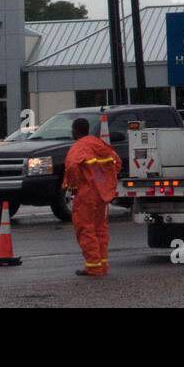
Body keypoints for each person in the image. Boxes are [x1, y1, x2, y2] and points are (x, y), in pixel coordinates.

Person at [62, 117, 122, 278]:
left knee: (85, 229)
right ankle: (101, 264)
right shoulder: (99, 144)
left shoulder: (78, 147)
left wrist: (74, 185)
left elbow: (73, 166)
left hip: (86, 193)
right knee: (100, 229)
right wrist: (106, 179)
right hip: (102, 193)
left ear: (74, 131)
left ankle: (94, 267)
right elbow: (117, 163)